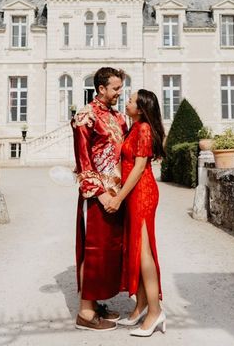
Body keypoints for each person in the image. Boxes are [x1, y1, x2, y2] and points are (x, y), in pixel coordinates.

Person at [105, 89, 166, 337]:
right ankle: (141, 306)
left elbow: (140, 167)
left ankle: (155, 310)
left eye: (130, 100)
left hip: (142, 193)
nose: (126, 102)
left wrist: (118, 198)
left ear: (140, 108)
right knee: (137, 250)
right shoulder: (134, 127)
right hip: (134, 193)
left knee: (144, 253)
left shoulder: (142, 129)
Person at [71, 67, 128, 331]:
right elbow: (83, 161)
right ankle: (85, 312)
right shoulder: (85, 117)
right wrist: (101, 194)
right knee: (93, 251)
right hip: (97, 196)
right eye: (115, 88)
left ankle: (94, 303)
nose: (119, 92)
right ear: (101, 88)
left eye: (120, 88)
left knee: (108, 251)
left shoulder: (118, 117)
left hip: (117, 195)